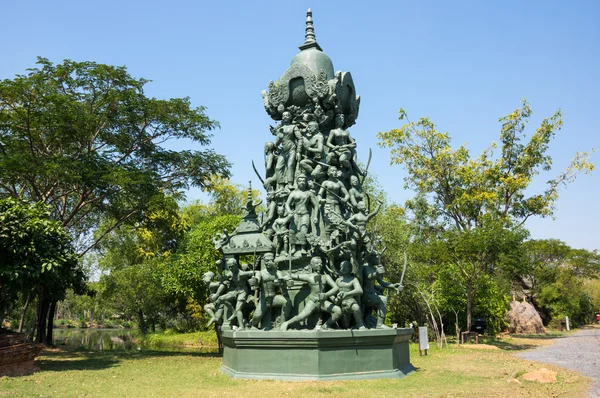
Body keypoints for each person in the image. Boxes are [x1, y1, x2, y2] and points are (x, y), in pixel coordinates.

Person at [280, 257, 342, 331]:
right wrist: (287, 276)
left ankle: (326, 325)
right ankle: (286, 323)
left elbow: (336, 288)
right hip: (313, 301)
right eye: (317, 263)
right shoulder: (309, 276)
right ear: (311, 265)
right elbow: (295, 276)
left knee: (338, 311)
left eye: (321, 263)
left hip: (323, 302)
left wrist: (326, 295)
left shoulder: (326, 277)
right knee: (302, 316)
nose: (319, 265)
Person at [249, 253, 292, 330]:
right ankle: (252, 325)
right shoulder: (260, 272)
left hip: (274, 297)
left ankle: (283, 324)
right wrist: (254, 281)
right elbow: (257, 280)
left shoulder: (276, 272)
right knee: (256, 316)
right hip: (264, 298)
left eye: (271, 261)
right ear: (264, 262)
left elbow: (281, 278)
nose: (269, 262)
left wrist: (283, 280)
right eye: (267, 261)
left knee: (287, 302)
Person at [286, 175, 319, 255]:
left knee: (304, 230)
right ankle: (293, 248)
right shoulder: (293, 193)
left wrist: (315, 216)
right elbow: (287, 204)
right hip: (295, 214)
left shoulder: (308, 193)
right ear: (297, 182)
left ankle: (303, 248)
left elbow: (316, 205)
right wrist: (290, 211)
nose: (302, 182)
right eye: (300, 181)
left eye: (303, 181)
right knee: (293, 230)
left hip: (305, 214)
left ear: (306, 182)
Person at [335, 260, 366, 330]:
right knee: (345, 326)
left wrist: (347, 294)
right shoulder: (338, 280)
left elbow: (359, 290)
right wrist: (336, 298)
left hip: (350, 301)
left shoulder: (353, 279)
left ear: (350, 268)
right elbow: (333, 291)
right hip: (340, 303)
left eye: (346, 267)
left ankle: (359, 324)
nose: (343, 268)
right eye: (342, 267)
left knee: (356, 308)